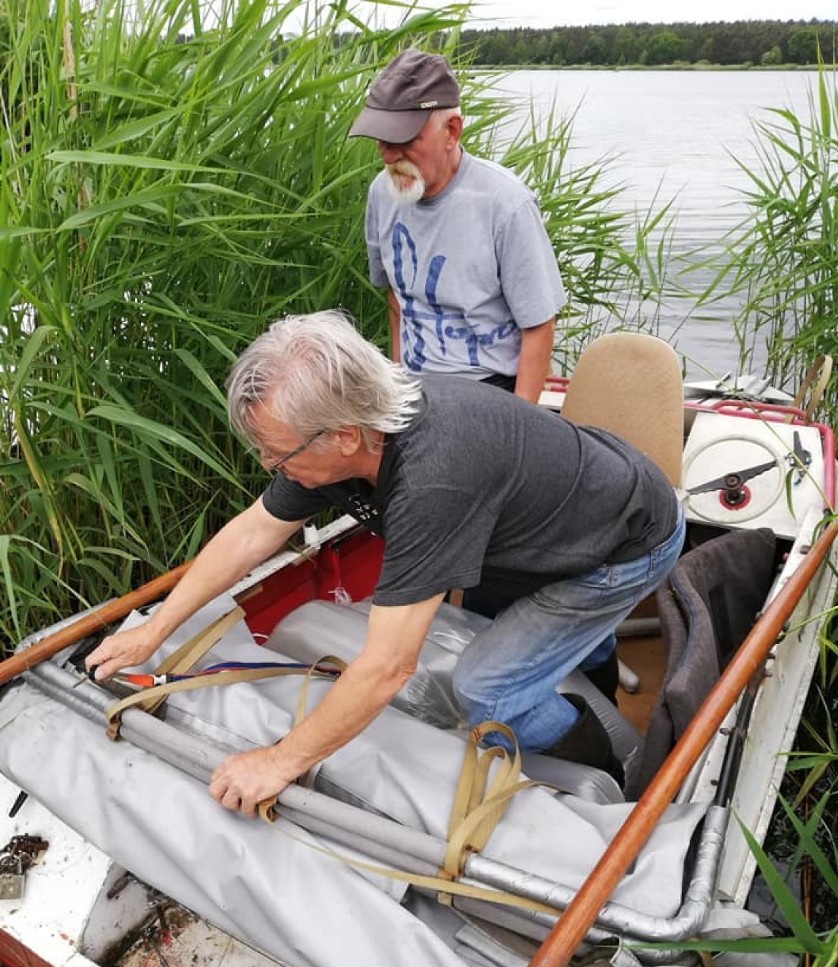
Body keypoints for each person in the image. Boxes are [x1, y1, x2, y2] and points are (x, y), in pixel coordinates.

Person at [86, 310, 684, 814]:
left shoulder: (433, 481)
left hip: (620, 546)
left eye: (276, 453)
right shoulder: (350, 433)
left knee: (485, 690)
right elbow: (253, 533)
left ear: (344, 436)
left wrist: (278, 761)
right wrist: (154, 627)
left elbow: (386, 668)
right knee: (508, 647)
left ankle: (611, 773)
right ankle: (577, 683)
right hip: (543, 522)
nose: (270, 465)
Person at [349, 48, 566, 404]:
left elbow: (539, 326)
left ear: (451, 131)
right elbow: (396, 298)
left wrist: (521, 424)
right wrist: (398, 383)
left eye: (401, 140)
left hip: (489, 389)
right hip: (415, 386)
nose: (387, 155)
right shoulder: (382, 194)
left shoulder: (505, 203)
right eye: (381, 140)